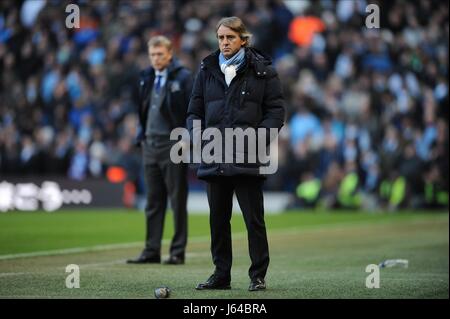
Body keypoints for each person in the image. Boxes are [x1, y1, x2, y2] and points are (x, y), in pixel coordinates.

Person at [187, 17, 285, 291]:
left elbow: (276, 112)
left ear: (243, 39)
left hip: (247, 156)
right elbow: (194, 111)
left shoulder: (264, 71)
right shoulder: (206, 69)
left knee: (253, 220)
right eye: (220, 38)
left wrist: (257, 140)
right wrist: (199, 138)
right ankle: (221, 275)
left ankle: (258, 275)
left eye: (230, 37)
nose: (224, 43)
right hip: (214, 155)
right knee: (218, 220)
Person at [127, 36, 192, 265]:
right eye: (152, 55)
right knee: (153, 200)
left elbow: (193, 110)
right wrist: (140, 136)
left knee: (177, 200)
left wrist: (187, 137)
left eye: (160, 54)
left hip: (173, 145)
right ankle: (151, 250)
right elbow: (142, 110)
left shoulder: (183, 77)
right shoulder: (146, 77)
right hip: (150, 145)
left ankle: (177, 251)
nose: (156, 59)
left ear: (170, 54)